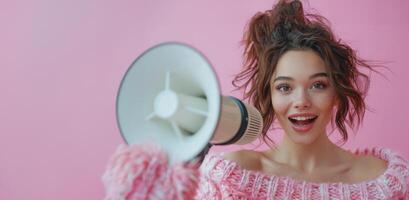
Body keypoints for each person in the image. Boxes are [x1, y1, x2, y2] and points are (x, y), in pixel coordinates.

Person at [102, 0, 409, 199]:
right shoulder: (231, 178)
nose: (301, 101)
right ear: (269, 96)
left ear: (337, 93)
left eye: (317, 85)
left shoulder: (384, 181)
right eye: (285, 88)